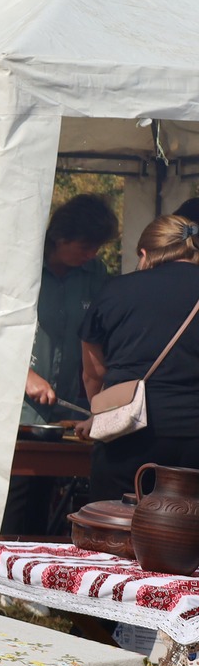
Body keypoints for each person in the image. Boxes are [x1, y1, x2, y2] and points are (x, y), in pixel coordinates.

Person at [81, 215, 199, 502]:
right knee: (187, 536)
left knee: (118, 529)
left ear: (145, 253)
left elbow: (93, 372)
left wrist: (103, 415)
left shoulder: (115, 291)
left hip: (129, 435)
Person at [28, 194, 118, 421]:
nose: (91, 255)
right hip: (15, 408)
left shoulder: (95, 273)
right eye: (85, 247)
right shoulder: (24, 268)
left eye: (96, 247)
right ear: (60, 237)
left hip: (65, 407)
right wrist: (25, 377)